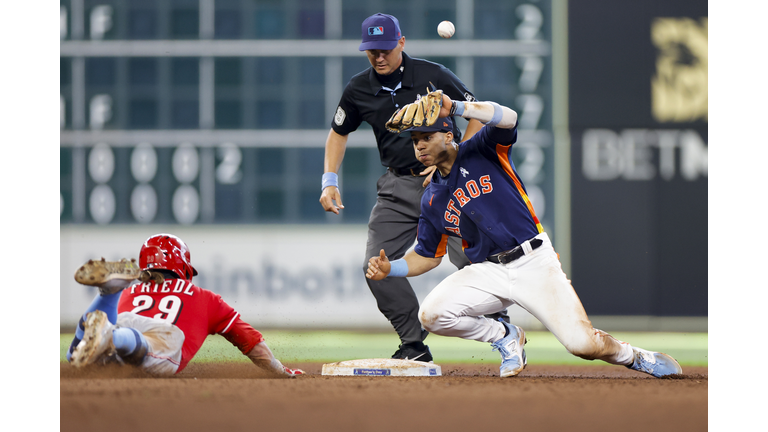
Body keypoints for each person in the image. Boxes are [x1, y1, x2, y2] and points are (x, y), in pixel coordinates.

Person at [366, 91, 683, 378]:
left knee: (582, 345)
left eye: (426, 136)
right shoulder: (432, 198)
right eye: (414, 140)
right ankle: (504, 335)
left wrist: (459, 106)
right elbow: (426, 254)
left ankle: (635, 356)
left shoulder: (482, 150)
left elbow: (509, 118)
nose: (418, 145)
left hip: (533, 261)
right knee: (432, 315)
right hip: (488, 270)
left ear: (448, 135)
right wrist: (391, 268)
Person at [319, 12, 508, 362]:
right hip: (397, 185)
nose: (379, 56)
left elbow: (478, 114)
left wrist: (455, 159)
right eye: (372, 50)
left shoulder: (432, 75)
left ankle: (500, 325)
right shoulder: (359, 88)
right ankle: (413, 344)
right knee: (376, 266)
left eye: (386, 48)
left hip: (446, 181)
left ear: (401, 43)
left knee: (470, 256)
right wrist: (329, 181)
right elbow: (338, 133)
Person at [66, 233, 304, 377]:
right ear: (183, 267)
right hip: (159, 336)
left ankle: (108, 297)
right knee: (150, 348)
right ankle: (111, 336)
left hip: (119, 322)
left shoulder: (132, 290)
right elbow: (251, 341)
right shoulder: (205, 298)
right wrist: (280, 371)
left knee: (76, 358)